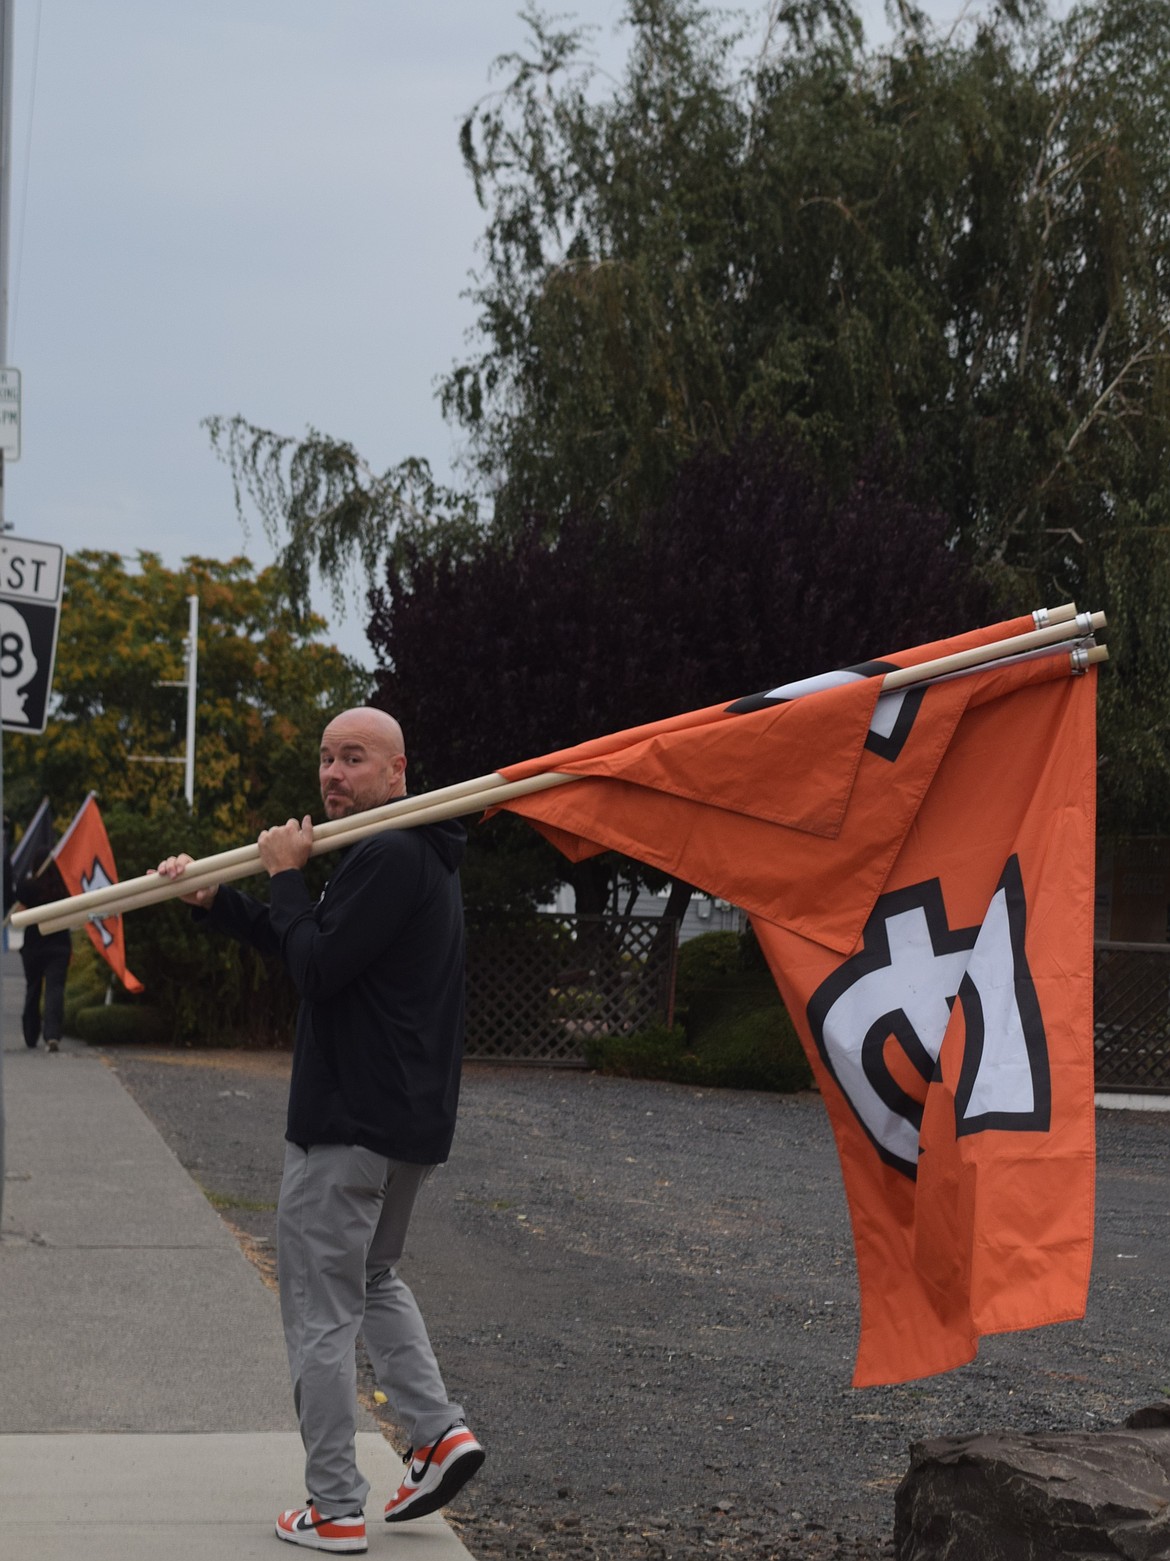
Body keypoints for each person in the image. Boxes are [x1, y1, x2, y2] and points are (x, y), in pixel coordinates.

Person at [158, 706, 483, 1555]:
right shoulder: (419, 852)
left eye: (355, 759)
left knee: (317, 1310)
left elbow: (315, 968)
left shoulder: (387, 851)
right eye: (327, 760)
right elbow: (319, 944)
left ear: (398, 772)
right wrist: (217, 901)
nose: (335, 775)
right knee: (371, 1278)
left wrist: (286, 874)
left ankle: (335, 1505)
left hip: (348, 1122)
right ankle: (438, 1434)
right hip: (402, 1121)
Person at [14, 860, 72, 1053]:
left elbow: (19, 908)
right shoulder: (63, 886)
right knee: (55, 990)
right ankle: (52, 1034)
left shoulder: (29, 887)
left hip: (33, 947)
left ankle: (31, 1034)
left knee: (33, 988)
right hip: (59, 946)